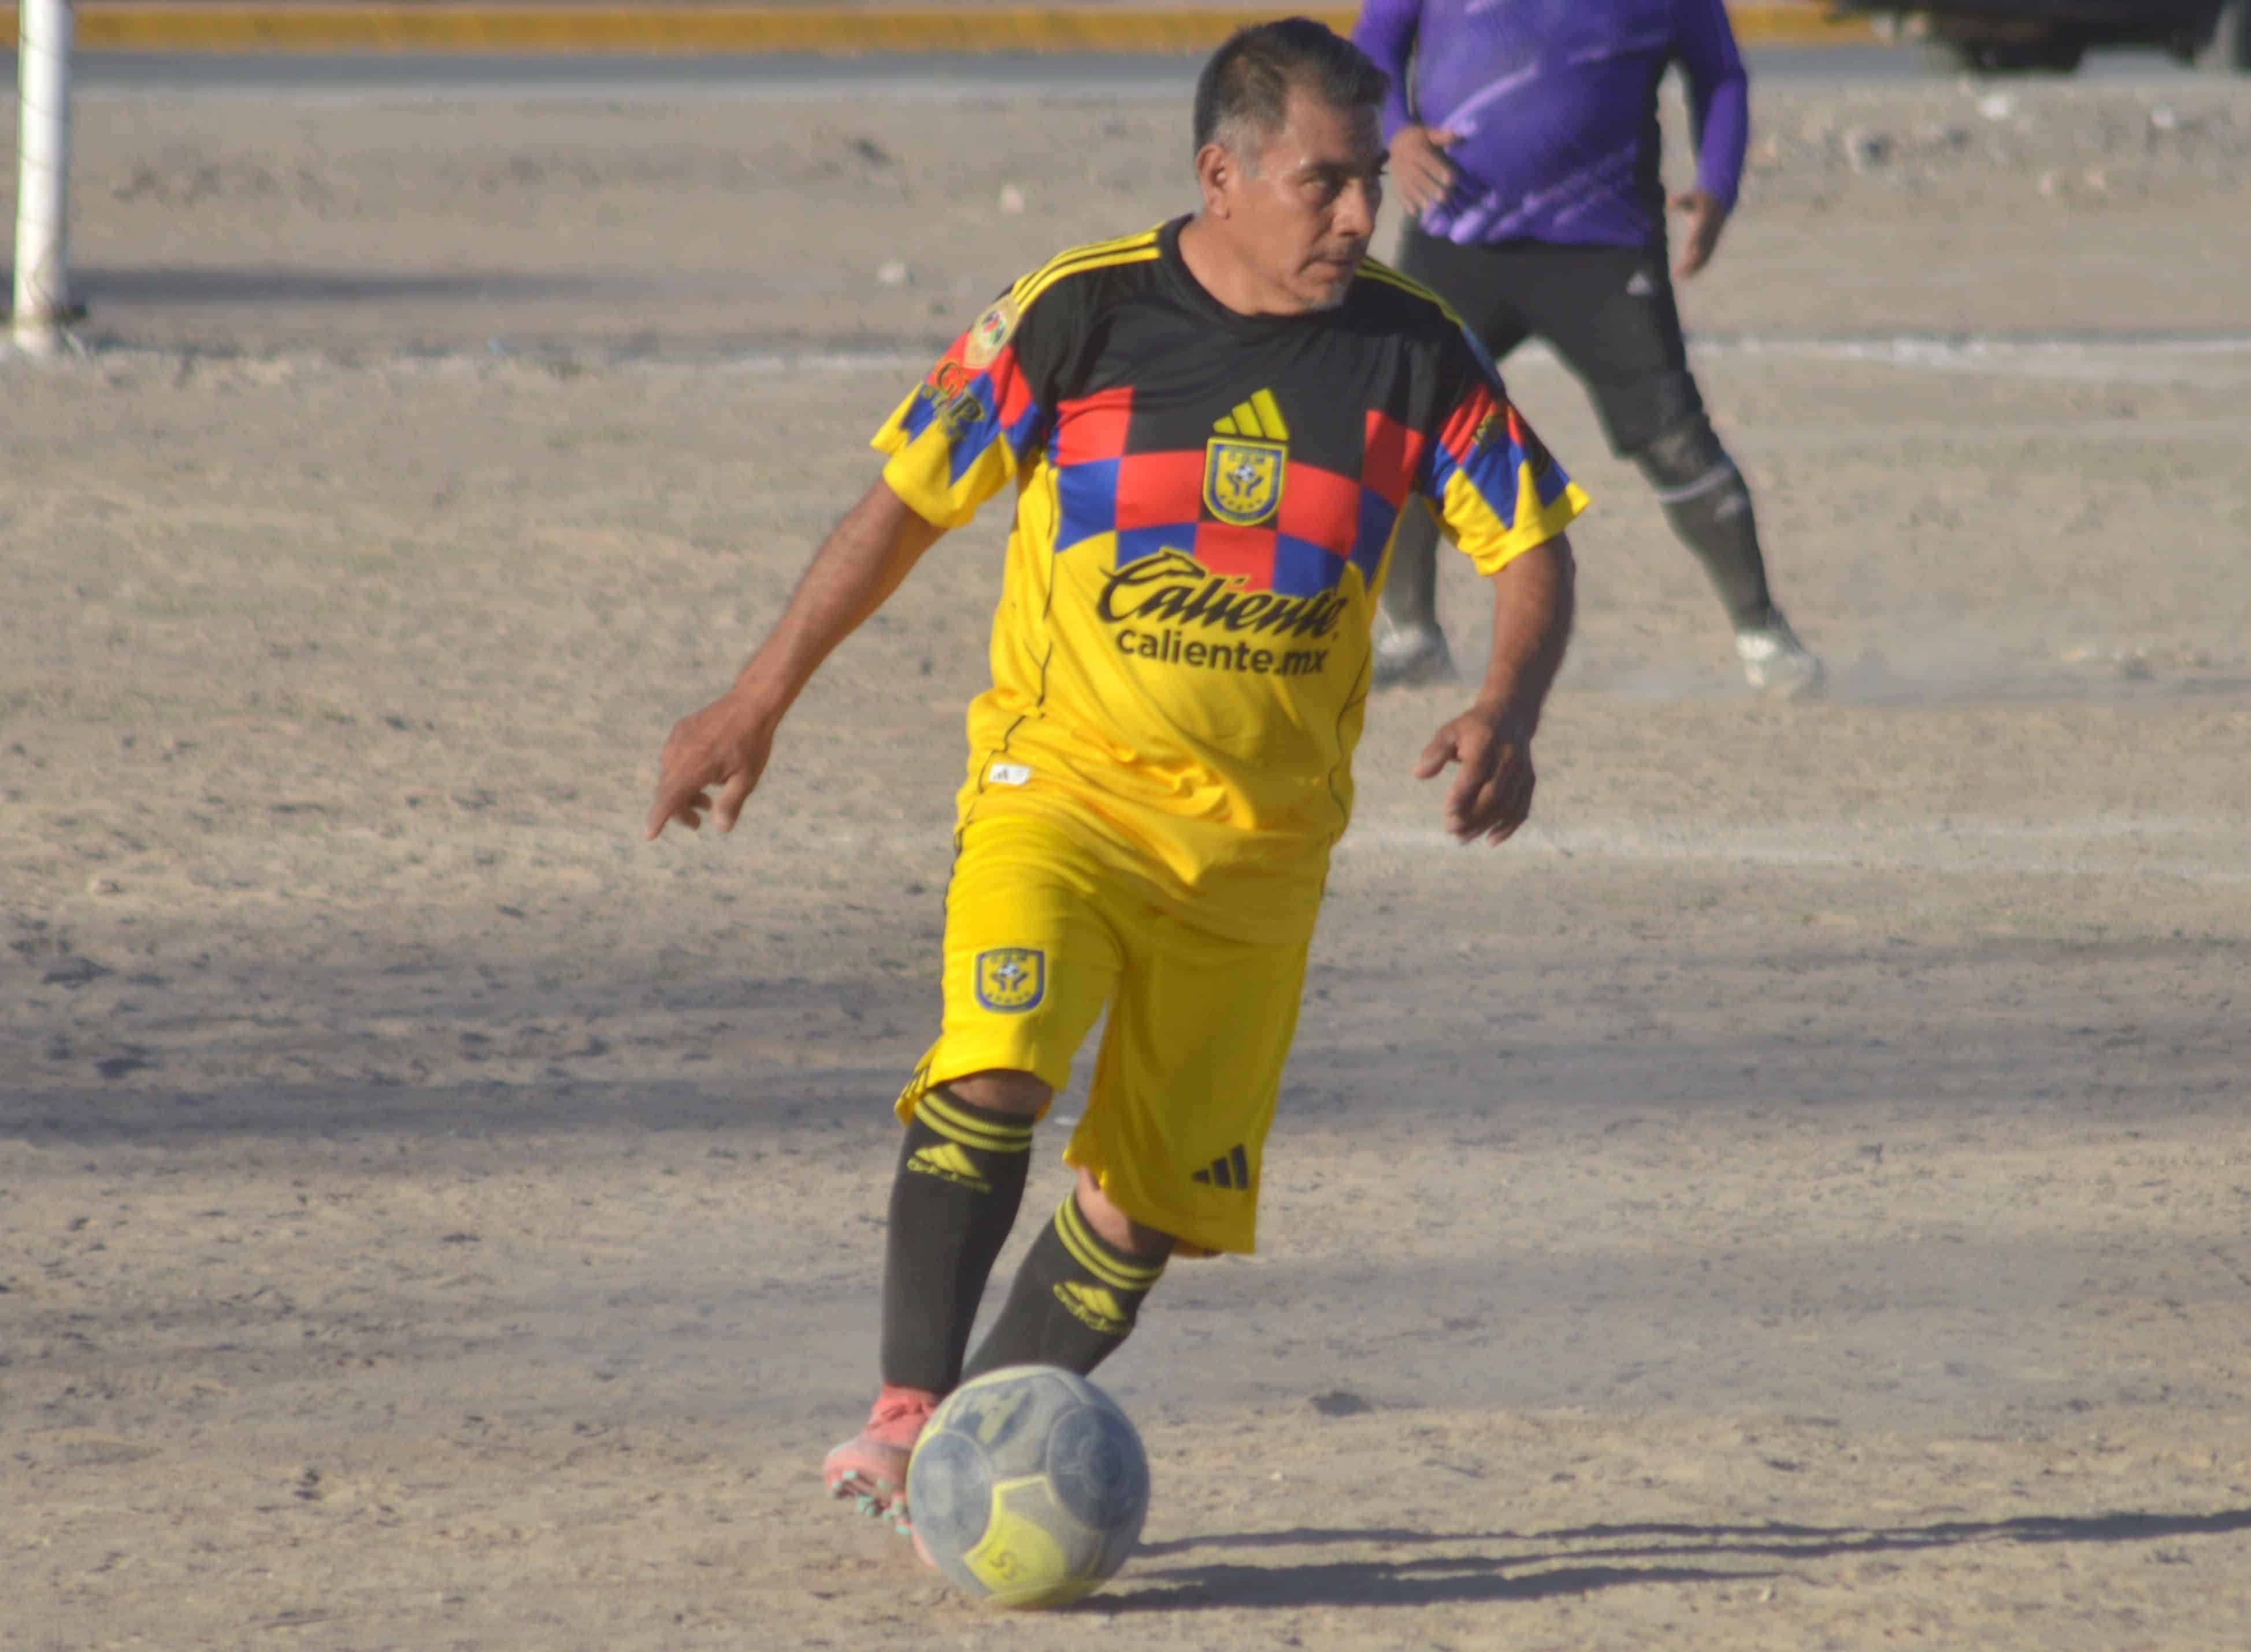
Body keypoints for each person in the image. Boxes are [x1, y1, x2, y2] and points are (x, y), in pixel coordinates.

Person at [645, 17, 1586, 1536]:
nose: (1360, 214)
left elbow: (1531, 543)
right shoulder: (1074, 313)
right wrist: (755, 700)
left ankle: (968, 1452)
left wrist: (1506, 707)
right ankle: (905, 1410)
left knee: (1142, 1204)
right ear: (1220, 177)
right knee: (995, 1065)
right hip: (1063, 792)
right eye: (1324, 182)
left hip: (1262, 855)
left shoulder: (1413, 350)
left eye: (1369, 180)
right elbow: (903, 504)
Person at [1351, 0, 1822, 698]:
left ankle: (1763, 633)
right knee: (1400, 425)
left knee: (1673, 436)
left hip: (1604, 250)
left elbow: (1719, 73)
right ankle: (1412, 634)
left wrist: (1717, 185)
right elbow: (1374, 45)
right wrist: (1396, 134)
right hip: (1456, 242)